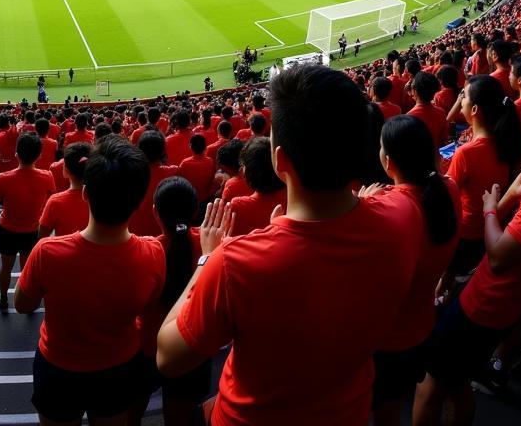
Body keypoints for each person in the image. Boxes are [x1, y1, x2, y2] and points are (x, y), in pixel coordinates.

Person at [157, 63, 423, 426]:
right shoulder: (405, 214)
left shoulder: (235, 264)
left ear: (279, 159)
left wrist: (206, 259)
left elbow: (169, 357)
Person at [414, 66, 521, 425]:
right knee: (458, 384)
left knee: (430, 388)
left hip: (486, 304)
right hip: (504, 306)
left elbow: (500, 256)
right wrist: (507, 200)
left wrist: (491, 209)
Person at [14, 135, 166, 425]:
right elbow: (149, 313)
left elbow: (22, 304)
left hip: (57, 368)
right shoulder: (154, 252)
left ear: (86, 194)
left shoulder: (48, 252)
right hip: (120, 368)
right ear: (138, 200)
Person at [360, 115, 460, 426]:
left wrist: (363, 205)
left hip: (385, 341)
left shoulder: (384, 211)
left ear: (388, 162)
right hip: (420, 328)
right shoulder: (448, 189)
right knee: (391, 409)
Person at [133, 175, 210, 426]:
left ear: (156, 213)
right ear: (195, 209)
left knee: (132, 412)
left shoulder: (145, 251)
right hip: (191, 348)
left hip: (147, 347)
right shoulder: (211, 248)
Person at [443, 75, 521, 277]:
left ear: (475, 110)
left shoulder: (467, 153)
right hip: (489, 228)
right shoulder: (503, 138)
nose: (461, 99)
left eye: (464, 95)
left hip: (466, 234)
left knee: (454, 278)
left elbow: (447, 195)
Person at [0, 131, 55, 314]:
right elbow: (51, 199)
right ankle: (26, 301)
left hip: (7, 230)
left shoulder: (4, 178)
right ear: (39, 155)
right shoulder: (47, 176)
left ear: (17, 153)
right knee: (26, 270)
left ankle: (3, 298)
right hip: (31, 232)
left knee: (5, 268)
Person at [38, 142, 91, 238]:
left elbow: (42, 235)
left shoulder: (55, 201)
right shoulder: (101, 200)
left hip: (63, 252)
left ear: (66, 170)